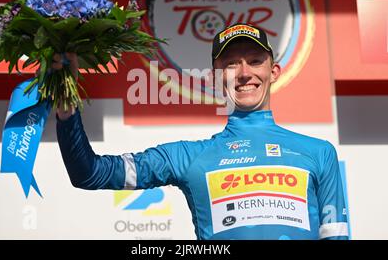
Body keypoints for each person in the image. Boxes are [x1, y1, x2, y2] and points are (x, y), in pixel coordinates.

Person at [55, 23, 349, 240]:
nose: (245, 72)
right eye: (231, 63)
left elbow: (336, 237)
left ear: (274, 71)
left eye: (255, 60)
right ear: (214, 77)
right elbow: (89, 173)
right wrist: (66, 107)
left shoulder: (318, 153)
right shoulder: (189, 156)